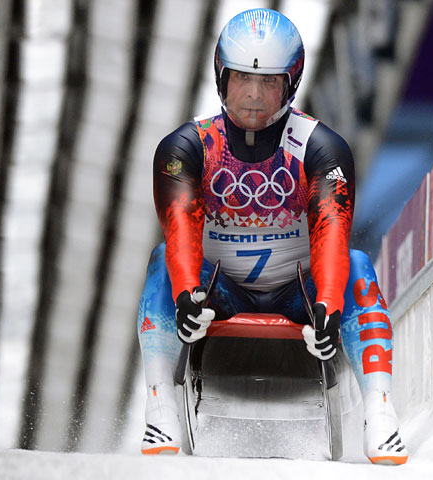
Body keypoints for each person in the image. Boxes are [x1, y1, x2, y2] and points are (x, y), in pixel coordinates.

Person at [136, 8, 408, 465]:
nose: (253, 95)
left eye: (269, 82)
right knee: (162, 259)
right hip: (218, 291)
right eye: (242, 78)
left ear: (290, 84)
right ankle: (159, 404)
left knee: (359, 265)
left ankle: (380, 411)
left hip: (298, 294)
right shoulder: (187, 148)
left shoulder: (321, 148)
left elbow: (332, 231)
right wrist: (185, 296)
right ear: (222, 77)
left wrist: (327, 306)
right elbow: (180, 225)